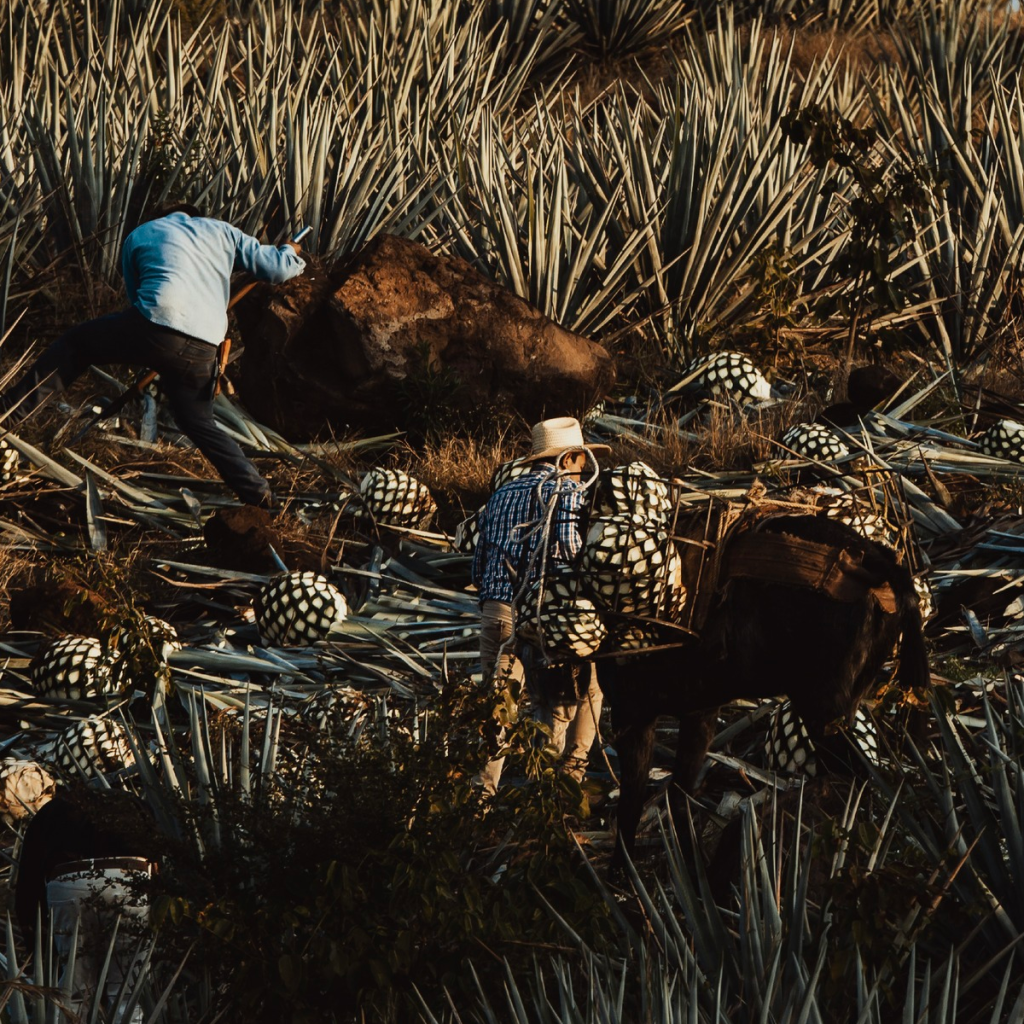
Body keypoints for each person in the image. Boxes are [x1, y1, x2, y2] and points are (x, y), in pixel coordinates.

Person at [0, 203, 306, 507]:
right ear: (196, 216)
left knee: (76, 345)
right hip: (204, 347)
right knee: (200, 423)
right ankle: (261, 496)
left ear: (162, 216)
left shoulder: (142, 233)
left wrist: (152, 351)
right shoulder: (223, 231)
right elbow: (276, 269)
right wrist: (290, 251)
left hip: (154, 327)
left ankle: (8, 414)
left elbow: (137, 300)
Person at [471, 416, 608, 794]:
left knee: (497, 708)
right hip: (546, 613)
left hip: (496, 611)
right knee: (578, 693)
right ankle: (561, 782)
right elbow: (566, 548)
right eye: (581, 462)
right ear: (566, 460)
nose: (582, 473)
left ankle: (482, 795)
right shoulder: (564, 491)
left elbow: (477, 565)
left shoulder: (499, 496)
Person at [15, 785, 163, 1024]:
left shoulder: (51, 812)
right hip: (129, 878)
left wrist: (34, 939)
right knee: (127, 989)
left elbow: (29, 879)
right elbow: (157, 865)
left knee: (75, 989)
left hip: (68, 881)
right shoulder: (133, 804)